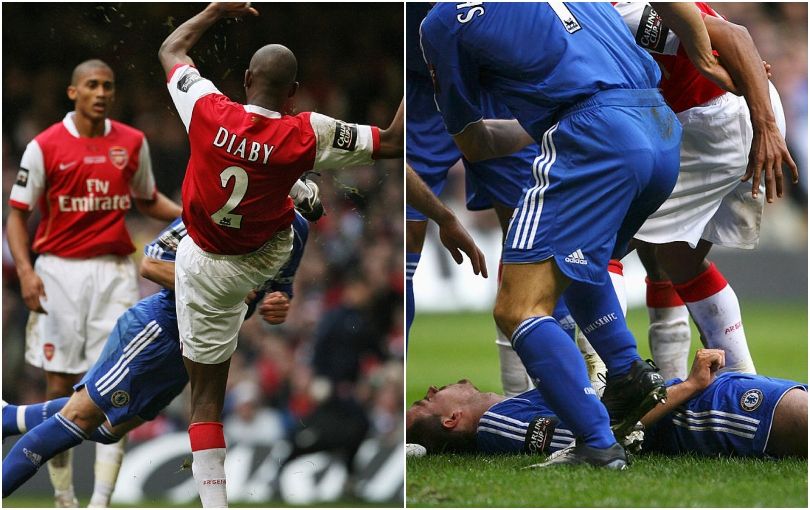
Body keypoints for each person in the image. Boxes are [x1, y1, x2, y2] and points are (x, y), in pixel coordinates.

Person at [418, 2, 744, 468]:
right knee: (580, 262)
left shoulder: (442, 21)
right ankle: (629, 371)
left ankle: (596, 443)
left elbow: (473, 140)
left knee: (518, 306)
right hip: (660, 128)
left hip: (591, 136)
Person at [157, 3, 403, 505]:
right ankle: (300, 203)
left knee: (206, 397)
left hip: (203, 261)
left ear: (246, 78)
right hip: (265, 256)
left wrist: (216, 10)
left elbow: (171, 49)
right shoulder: (306, 130)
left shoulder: (207, 108)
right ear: (293, 92)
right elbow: (394, 142)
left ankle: (214, 501)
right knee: (296, 209)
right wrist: (419, 76)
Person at [2, 203, 314, 499]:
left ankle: (9, 417)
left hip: (196, 348)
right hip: (159, 331)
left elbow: (281, 288)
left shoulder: (296, 229)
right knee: (80, 417)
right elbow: (152, 263)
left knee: (109, 429)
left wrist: (278, 304)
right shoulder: (215, 207)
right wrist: (223, 294)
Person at [5, 58, 182, 507]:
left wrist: (193, 217)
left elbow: (147, 200)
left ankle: (101, 500)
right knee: (60, 385)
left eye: (108, 85)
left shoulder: (132, 143)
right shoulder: (44, 146)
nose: (101, 92)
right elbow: (18, 216)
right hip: (58, 271)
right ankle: (64, 498)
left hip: (114, 270)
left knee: (112, 385)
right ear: (73, 92)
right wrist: (25, 271)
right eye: (92, 85)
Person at [611, 2, 798, 380]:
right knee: (679, 260)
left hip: (721, 123)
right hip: (720, 118)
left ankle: (609, 384)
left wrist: (767, 131)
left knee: (600, 245)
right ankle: (748, 387)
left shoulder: (622, 12)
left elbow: (734, 36)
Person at [406, 2, 576, 396]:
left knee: (530, 238)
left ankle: (557, 399)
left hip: (499, 84)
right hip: (419, 86)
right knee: (408, 240)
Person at [406, 349, 807, 460]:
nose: (431, 388)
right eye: (426, 401)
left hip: (714, 398)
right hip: (702, 415)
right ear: (452, 420)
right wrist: (690, 385)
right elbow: (604, 436)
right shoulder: (498, 427)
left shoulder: (511, 409)